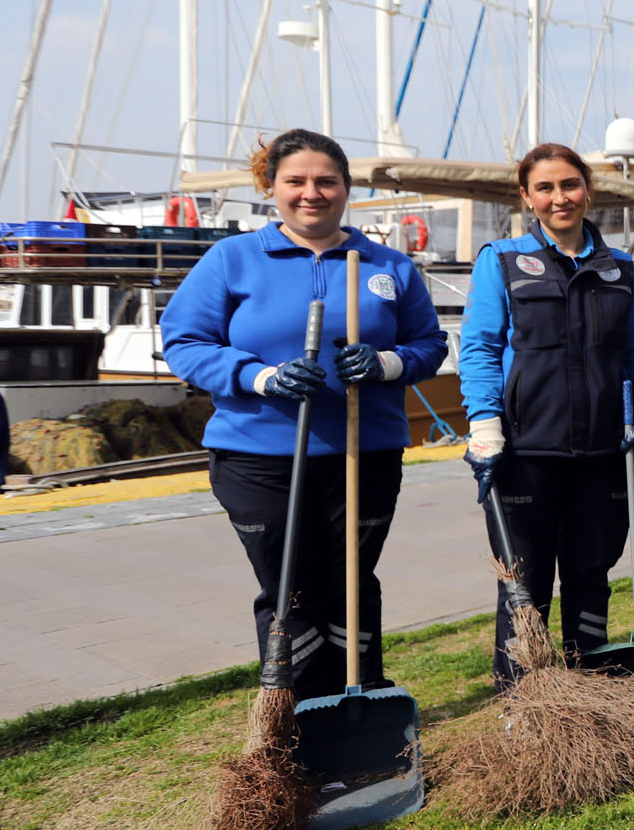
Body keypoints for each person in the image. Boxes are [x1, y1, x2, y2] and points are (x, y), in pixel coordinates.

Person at [161, 128, 447, 703]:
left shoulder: (386, 265)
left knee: (352, 581)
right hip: (258, 455)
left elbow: (430, 344)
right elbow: (185, 342)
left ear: (346, 189)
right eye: (296, 181)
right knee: (289, 584)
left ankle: (360, 697)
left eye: (326, 181)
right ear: (272, 187)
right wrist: (261, 377)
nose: (311, 193)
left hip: (361, 453)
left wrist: (387, 363)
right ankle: (297, 705)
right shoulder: (232, 260)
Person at [456, 143, 634, 685]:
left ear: (588, 190)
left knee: (590, 572)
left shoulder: (619, 268)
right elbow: (479, 347)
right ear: (527, 197)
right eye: (546, 188)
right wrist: (484, 424)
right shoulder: (501, 260)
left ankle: (588, 686)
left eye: (570, 185)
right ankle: (523, 697)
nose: (560, 198)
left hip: (603, 450)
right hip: (526, 451)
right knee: (523, 582)